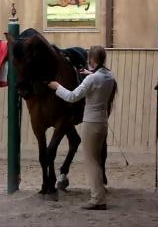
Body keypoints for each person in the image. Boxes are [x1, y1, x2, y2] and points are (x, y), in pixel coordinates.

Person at [48, 46, 116, 210]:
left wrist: (57, 87)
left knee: (91, 161)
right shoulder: (108, 76)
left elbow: (72, 97)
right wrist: (90, 75)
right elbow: (98, 79)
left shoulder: (92, 79)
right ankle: (100, 194)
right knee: (97, 160)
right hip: (102, 123)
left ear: (92, 60)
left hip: (91, 123)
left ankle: (97, 199)